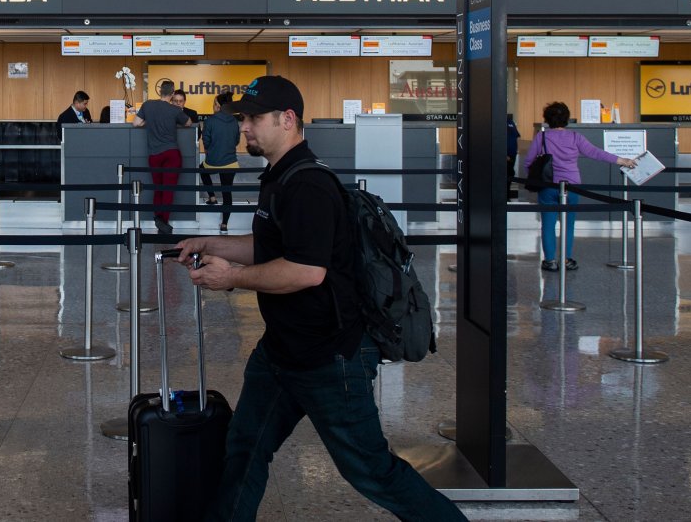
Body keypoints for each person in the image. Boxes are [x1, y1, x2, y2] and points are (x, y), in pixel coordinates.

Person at [174, 76, 467, 522]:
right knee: (244, 451)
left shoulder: (308, 185)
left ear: (287, 119)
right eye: (243, 118)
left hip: (330, 358)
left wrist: (230, 277)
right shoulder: (278, 175)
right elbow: (276, 249)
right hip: (282, 351)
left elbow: (306, 271)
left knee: (371, 470)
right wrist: (211, 245)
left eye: (253, 118)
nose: (244, 128)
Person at [523, 101, 636, 272]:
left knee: (548, 224)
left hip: (548, 185)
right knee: (568, 224)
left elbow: (529, 161)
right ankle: (567, 259)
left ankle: (550, 261)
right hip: (572, 186)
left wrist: (534, 177)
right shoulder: (575, 137)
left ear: (547, 119)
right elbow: (596, 153)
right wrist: (623, 161)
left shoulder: (542, 136)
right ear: (567, 119)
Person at [133, 80, 190, 235]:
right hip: (172, 154)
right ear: (172, 94)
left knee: (158, 189)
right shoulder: (174, 109)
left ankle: (159, 218)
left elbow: (136, 123)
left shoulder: (148, 105)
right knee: (168, 190)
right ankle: (163, 222)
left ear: (159, 92)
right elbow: (188, 123)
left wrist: (148, 120)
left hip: (154, 155)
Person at [199, 92, 240, 233]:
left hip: (213, 162)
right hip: (231, 163)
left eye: (214, 103)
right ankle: (224, 224)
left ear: (218, 106)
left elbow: (206, 141)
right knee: (227, 192)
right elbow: (236, 141)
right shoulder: (234, 121)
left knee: (202, 170)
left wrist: (211, 151)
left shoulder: (210, 120)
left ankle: (212, 196)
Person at [506, 113, 521, 199]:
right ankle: (505, 197)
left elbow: (516, 136)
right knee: (506, 176)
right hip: (505, 155)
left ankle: (507, 197)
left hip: (512, 154)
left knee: (510, 175)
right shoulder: (498, 122)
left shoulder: (510, 122)